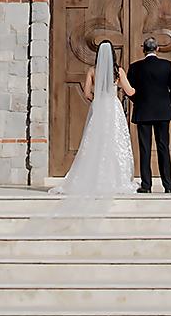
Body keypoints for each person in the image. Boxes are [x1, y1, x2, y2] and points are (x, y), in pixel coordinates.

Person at [49, 40, 135, 198]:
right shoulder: (119, 71)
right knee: (115, 141)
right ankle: (115, 178)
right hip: (113, 108)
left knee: (95, 141)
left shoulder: (92, 71)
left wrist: (97, 99)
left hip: (99, 107)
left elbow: (87, 93)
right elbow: (130, 91)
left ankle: (92, 178)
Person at [122, 36, 171, 193]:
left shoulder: (135, 67)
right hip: (163, 112)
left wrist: (138, 102)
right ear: (157, 49)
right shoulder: (167, 65)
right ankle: (169, 186)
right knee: (163, 148)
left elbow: (130, 91)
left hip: (143, 111)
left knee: (145, 149)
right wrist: (169, 107)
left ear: (143, 49)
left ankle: (146, 185)